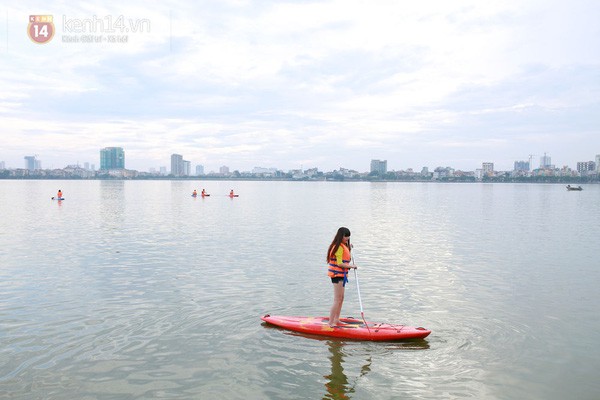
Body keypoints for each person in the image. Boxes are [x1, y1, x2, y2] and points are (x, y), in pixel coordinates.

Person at [327, 227, 357, 327]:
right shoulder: (338, 247)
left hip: (341, 275)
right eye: (346, 237)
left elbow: (345, 256)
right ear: (341, 236)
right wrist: (351, 266)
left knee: (341, 298)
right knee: (337, 299)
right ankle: (331, 322)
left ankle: (336, 319)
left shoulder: (343, 245)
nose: (347, 238)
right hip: (336, 275)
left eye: (348, 237)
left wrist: (349, 247)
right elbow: (340, 263)